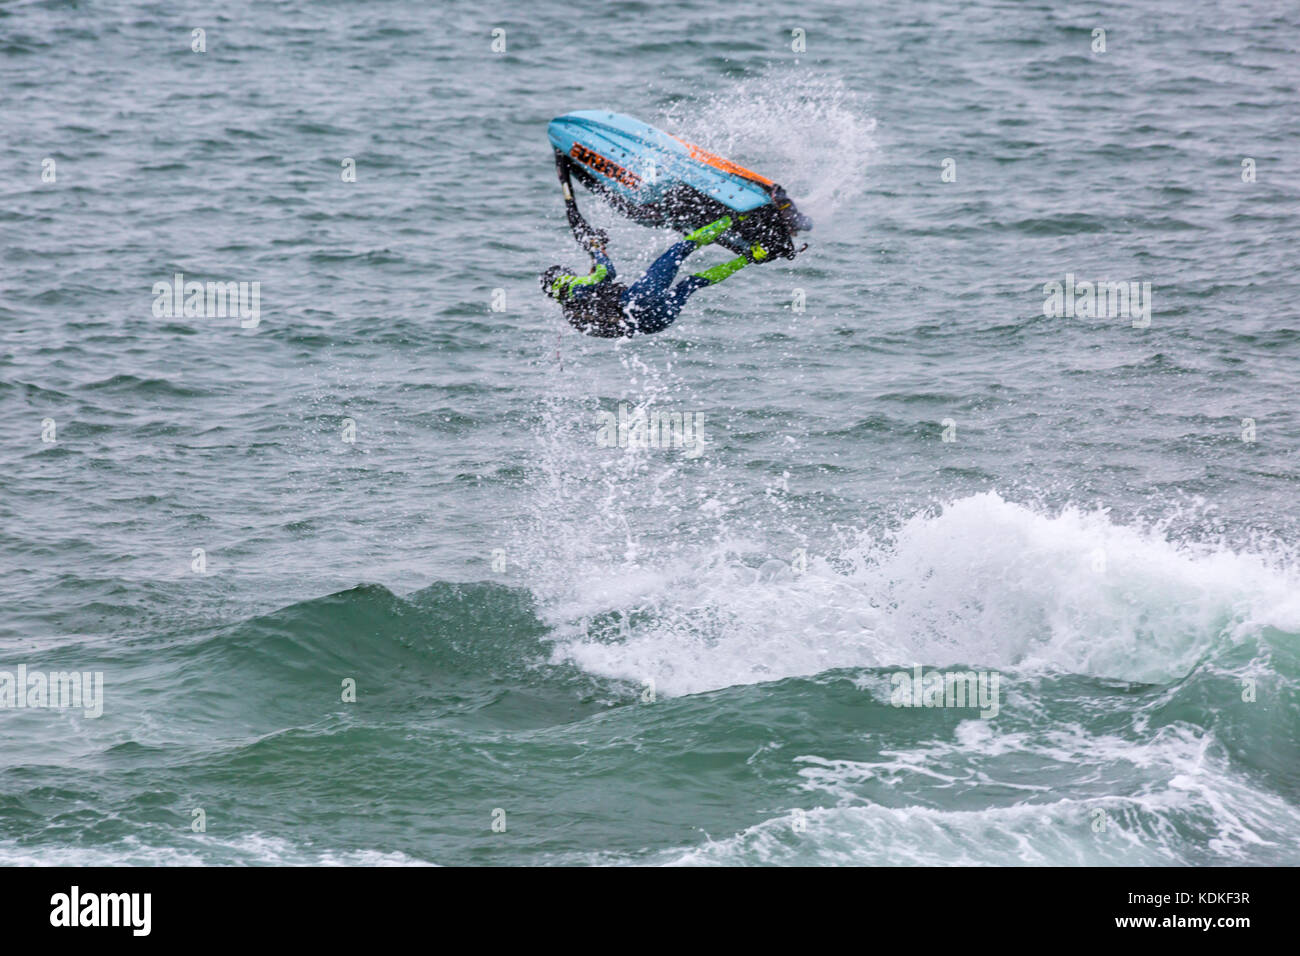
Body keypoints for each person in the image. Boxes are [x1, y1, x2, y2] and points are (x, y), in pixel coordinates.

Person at [539, 215, 768, 338]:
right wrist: (596, 250)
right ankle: (734, 218)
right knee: (678, 250)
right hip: (636, 301)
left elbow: (606, 313)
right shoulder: (573, 288)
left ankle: (752, 256)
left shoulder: (572, 315)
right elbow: (607, 273)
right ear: (560, 279)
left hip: (652, 324)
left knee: (690, 283)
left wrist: (597, 254)